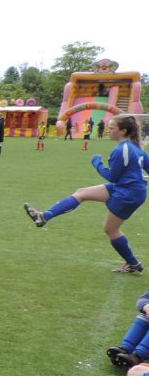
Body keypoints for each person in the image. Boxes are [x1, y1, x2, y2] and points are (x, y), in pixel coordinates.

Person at [24, 114, 147, 273]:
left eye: (111, 128)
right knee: (81, 193)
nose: (108, 131)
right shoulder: (136, 148)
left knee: (111, 230)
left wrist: (97, 163)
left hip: (128, 193)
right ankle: (44, 216)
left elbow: (112, 176)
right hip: (126, 188)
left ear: (123, 131)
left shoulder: (121, 150)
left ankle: (133, 264)